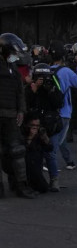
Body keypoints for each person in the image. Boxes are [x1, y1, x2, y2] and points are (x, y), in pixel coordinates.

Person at [0, 33, 37, 199]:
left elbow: (20, 92)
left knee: (17, 150)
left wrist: (21, 110)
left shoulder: (12, 68)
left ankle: (21, 185)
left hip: (12, 115)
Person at [46, 40, 77, 191]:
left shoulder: (46, 70)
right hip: (63, 113)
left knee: (52, 144)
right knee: (53, 148)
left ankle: (59, 169)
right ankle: (54, 179)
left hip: (48, 113)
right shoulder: (66, 71)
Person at [22, 113, 52, 194]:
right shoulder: (22, 134)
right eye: (32, 125)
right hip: (25, 167)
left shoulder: (39, 135)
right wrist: (30, 137)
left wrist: (45, 138)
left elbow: (49, 149)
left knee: (43, 188)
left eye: (37, 125)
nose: (35, 127)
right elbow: (24, 150)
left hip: (36, 168)